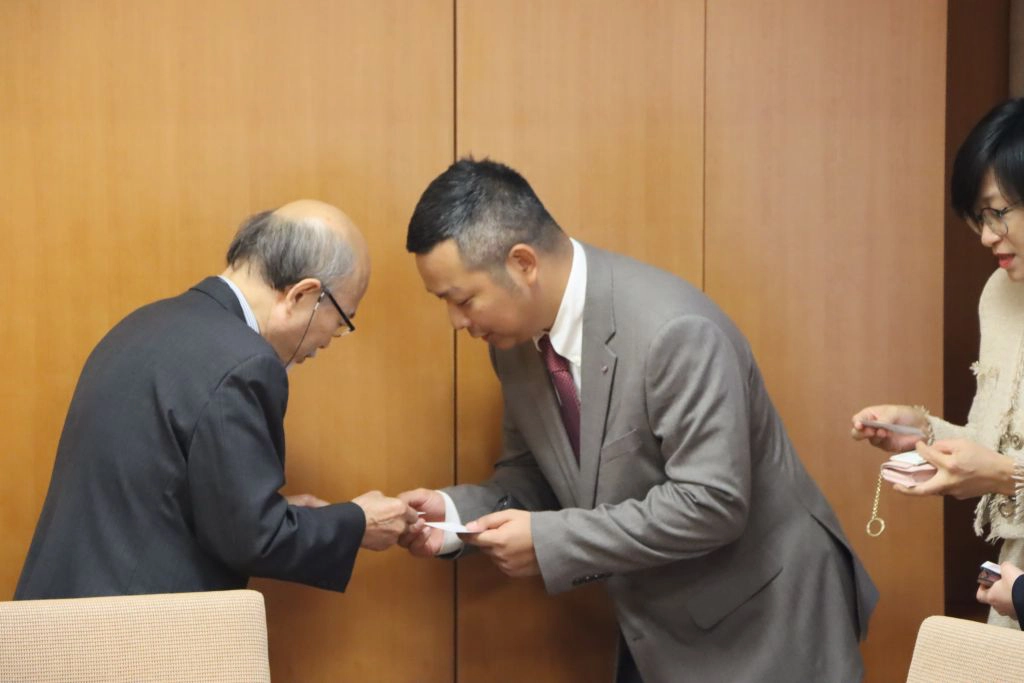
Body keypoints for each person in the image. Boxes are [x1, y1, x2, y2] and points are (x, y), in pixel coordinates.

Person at [398, 159, 877, 682]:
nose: (456, 322)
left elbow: (712, 503)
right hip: (658, 624)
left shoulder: (674, 331)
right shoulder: (513, 348)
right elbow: (536, 475)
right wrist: (454, 516)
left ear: (523, 263)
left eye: (462, 300)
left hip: (765, 619)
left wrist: (551, 542)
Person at [15, 200, 416, 599]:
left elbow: (162, 498)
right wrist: (358, 523)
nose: (328, 340)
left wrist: (277, 513)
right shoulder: (244, 362)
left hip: (63, 613)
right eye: (342, 320)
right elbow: (254, 539)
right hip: (129, 628)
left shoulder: (142, 324)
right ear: (303, 294)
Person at [850, 98, 1024, 629]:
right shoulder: (1000, 294)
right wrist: (921, 431)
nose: (987, 236)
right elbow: (993, 446)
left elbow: (1002, 469)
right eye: (979, 216)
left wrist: (1005, 478)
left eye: (998, 212)